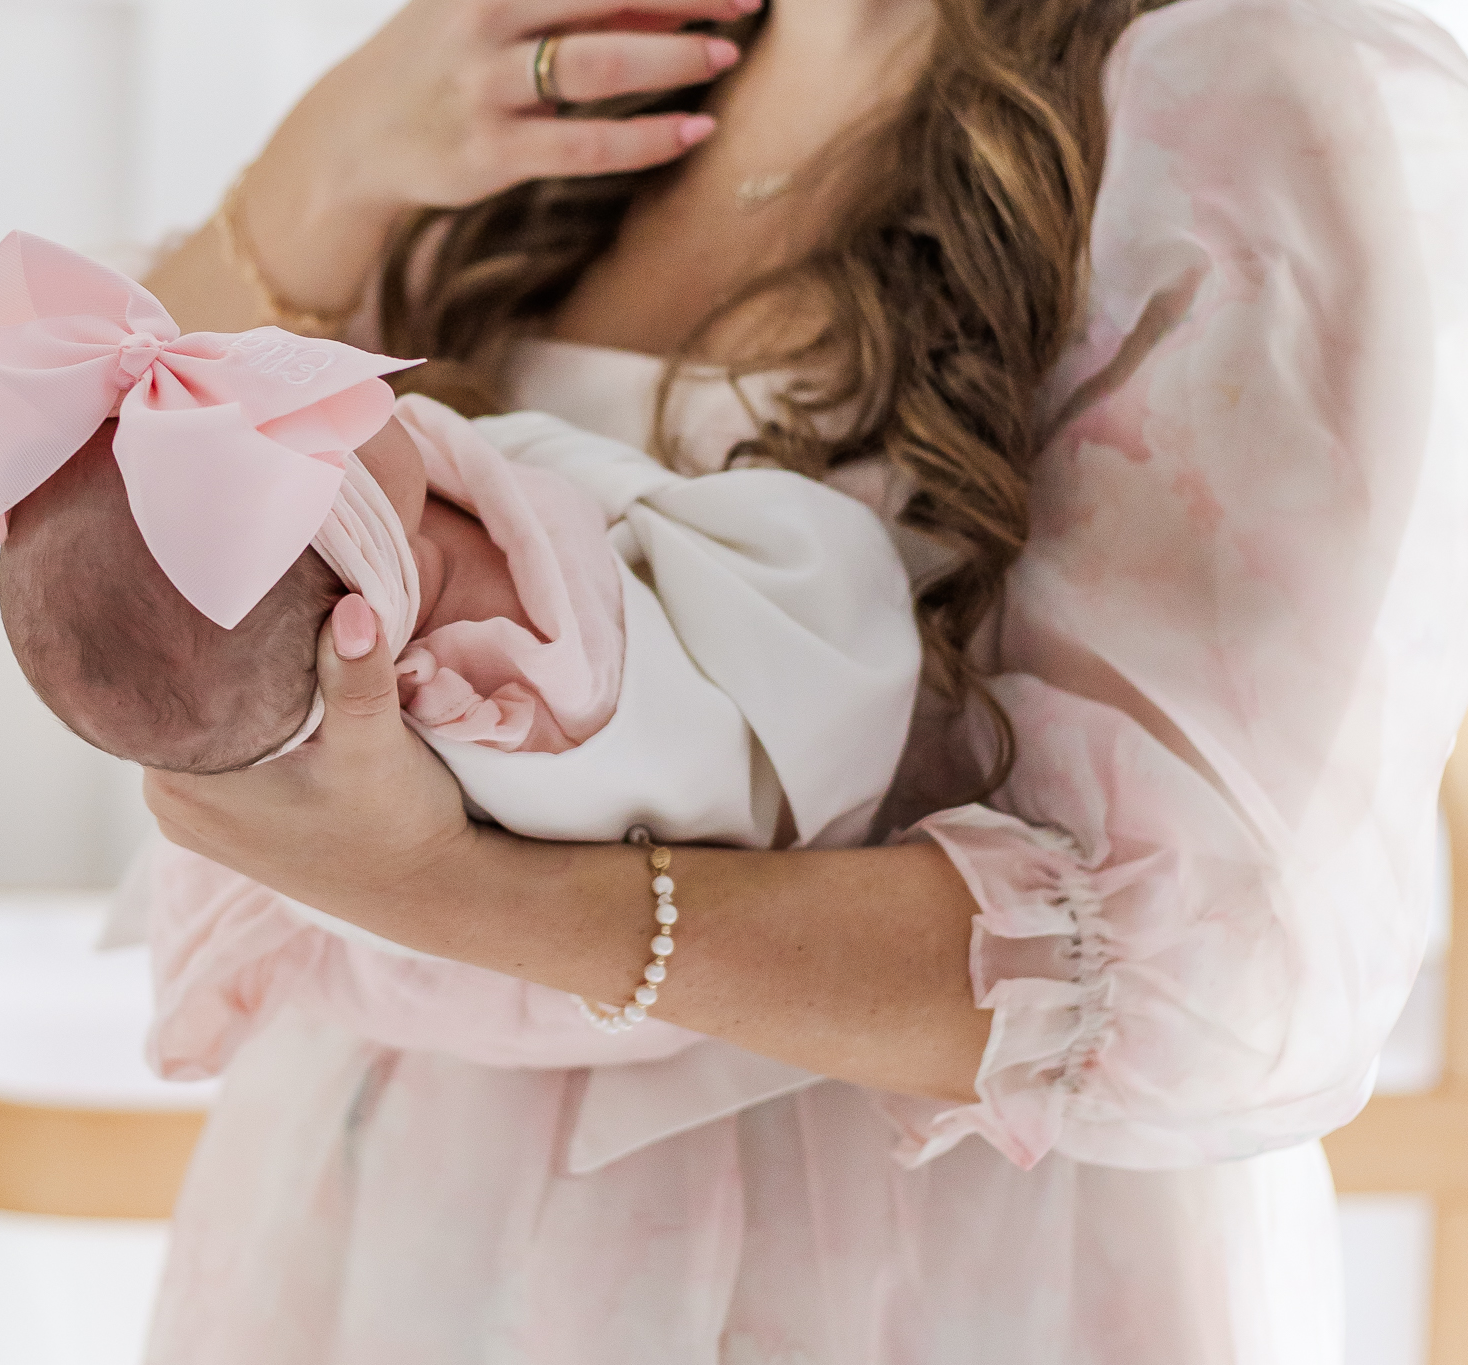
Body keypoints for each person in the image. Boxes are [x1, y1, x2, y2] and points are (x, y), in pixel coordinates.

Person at [134, 0, 1468, 1359]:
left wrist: (450, 893)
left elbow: (1201, 967)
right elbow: (102, 572)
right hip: (410, 1237)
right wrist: (329, 163)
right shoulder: (585, 37)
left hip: (918, 1277)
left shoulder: (1242, 96)